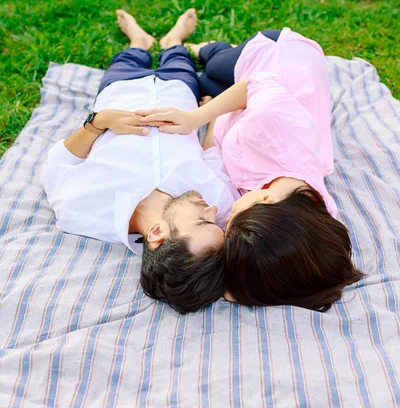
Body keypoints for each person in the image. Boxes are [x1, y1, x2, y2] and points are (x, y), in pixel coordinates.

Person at [138, 27, 364, 311]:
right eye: (232, 218)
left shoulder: (305, 218)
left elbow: (301, 267)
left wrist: (238, 287)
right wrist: (195, 118)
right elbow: (256, 83)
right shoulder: (277, 126)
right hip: (275, 57)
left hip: (240, 116)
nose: (226, 215)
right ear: (265, 198)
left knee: (204, 85)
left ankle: (196, 59)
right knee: (215, 66)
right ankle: (203, 47)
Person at [40, 9, 240, 313]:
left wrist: (100, 122)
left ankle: (139, 41)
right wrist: (211, 117)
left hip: (119, 92)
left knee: (128, 58)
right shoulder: (218, 203)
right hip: (178, 91)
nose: (213, 210)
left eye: (203, 221)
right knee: (177, 59)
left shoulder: (80, 210)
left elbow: (59, 162)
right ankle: (173, 40)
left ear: (157, 234)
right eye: (216, 223)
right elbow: (213, 156)